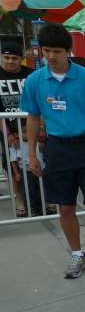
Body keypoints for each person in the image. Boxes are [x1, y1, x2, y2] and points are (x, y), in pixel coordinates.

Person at [20, 24, 85, 279]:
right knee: (64, 206)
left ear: (68, 51)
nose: (51, 56)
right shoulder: (35, 81)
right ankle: (78, 254)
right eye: (46, 51)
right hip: (57, 148)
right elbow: (33, 117)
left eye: (56, 51)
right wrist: (31, 154)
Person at [0, 41, 34, 216]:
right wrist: (7, 134)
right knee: (13, 168)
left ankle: (45, 199)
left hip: (32, 128)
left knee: (39, 163)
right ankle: (20, 201)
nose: (10, 61)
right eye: (6, 58)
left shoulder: (32, 75)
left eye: (14, 58)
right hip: (7, 128)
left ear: (21, 59)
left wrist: (37, 128)